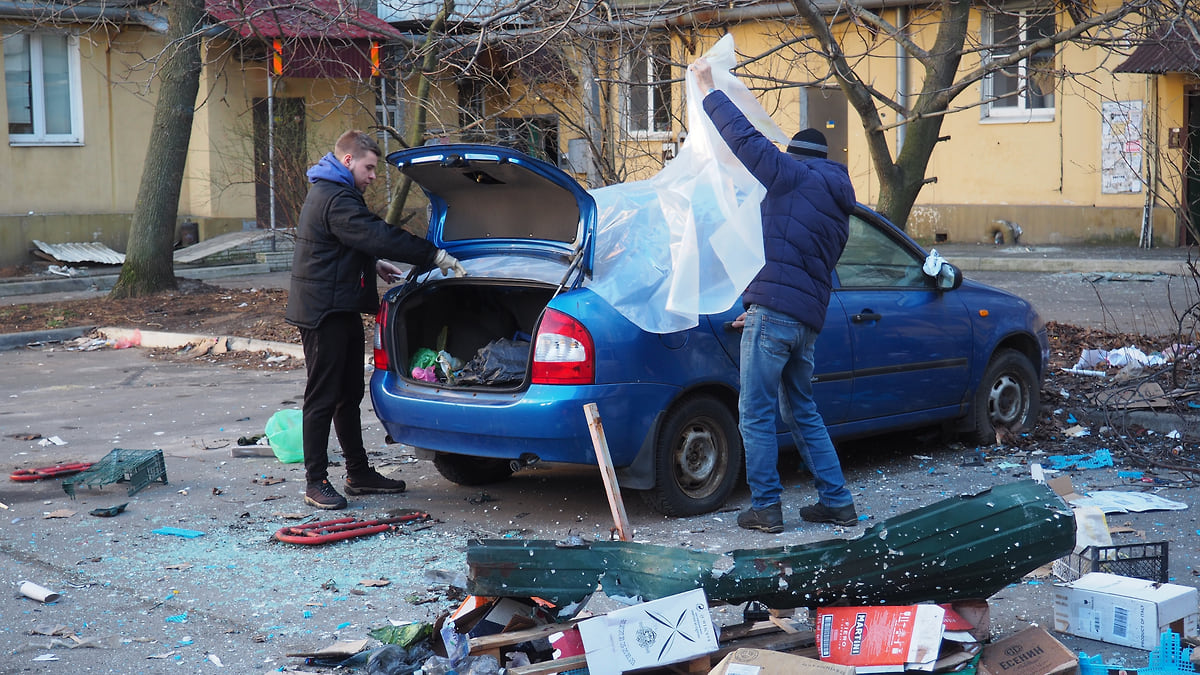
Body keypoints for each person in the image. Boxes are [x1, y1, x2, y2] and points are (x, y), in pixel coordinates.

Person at [690, 58, 858, 533]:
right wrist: (758, 308)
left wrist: (707, 89)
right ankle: (837, 502)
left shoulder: (791, 175)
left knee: (755, 413)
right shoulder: (836, 204)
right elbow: (797, 261)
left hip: (776, 319)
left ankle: (766, 506)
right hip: (804, 323)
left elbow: (743, 140)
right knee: (801, 408)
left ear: (794, 157)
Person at [285, 129, 466, 510]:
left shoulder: (335, 191)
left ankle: (359, 473)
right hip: (323, 311)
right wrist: (433, 256)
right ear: (347, 160)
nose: (372, 176)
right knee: (321, 399)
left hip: (339, 305)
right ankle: (315, 481)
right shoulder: (334, 197)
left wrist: (371, 263)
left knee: (348, 395)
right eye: (368, 168)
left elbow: (348, 243)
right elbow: (375, 234)